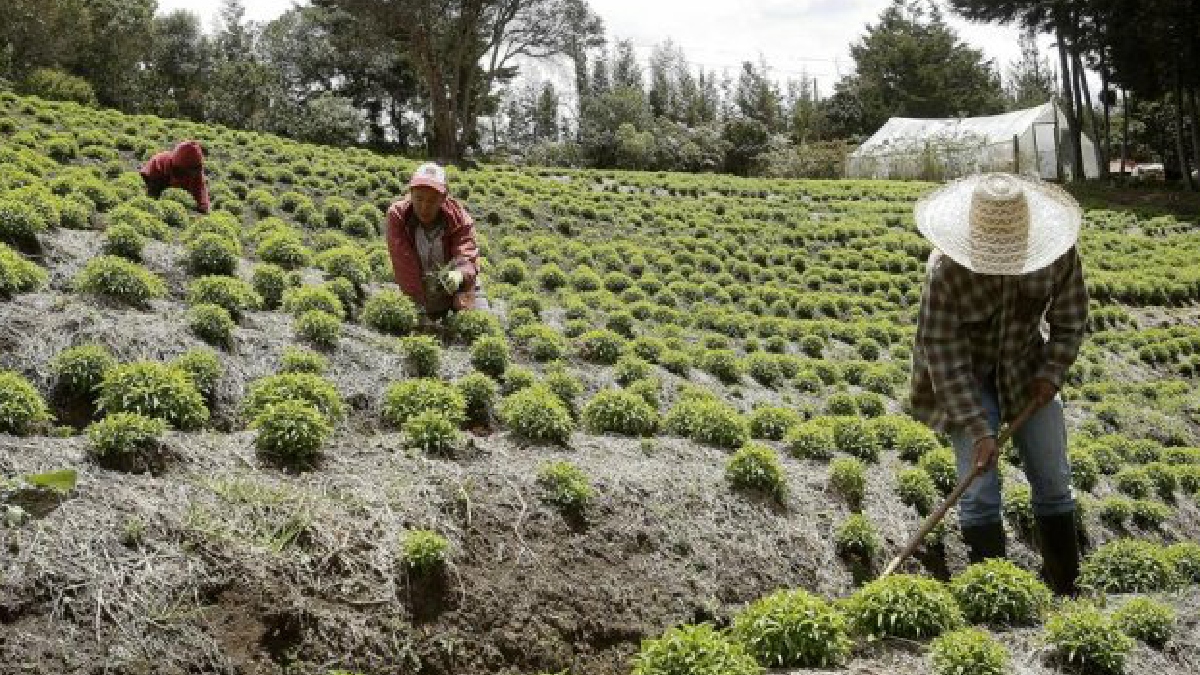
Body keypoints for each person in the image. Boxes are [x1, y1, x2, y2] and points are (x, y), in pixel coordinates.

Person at [909, 173, 1088, 595]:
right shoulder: (946, 272)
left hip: (1026, 367)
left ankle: (1065, 586)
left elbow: (1071, 320)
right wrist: (979, 430)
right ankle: (994, 595)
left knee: (1053, 480)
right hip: (965, 376)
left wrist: (1051, 373)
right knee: (979, 489)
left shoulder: (1056, 255)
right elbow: (944, 357)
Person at [384, 162, 485, 319]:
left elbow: (466, 256)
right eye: (419, 198)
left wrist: (460, 275)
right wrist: (418, 306)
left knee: (474, 318)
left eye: (432, 200)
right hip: (418, 284)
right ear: (410, 193)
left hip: (457, 287)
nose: (424, 207)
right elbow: (404, 265)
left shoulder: (459, 219)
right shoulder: (398, 216)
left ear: (444, 198)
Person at [139, 140, 210, 214]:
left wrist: (203, 207)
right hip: (157, 185)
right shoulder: (158, 164)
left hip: (178, 197)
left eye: (195, 169)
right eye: (190, 170)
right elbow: (146, 184)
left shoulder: (196, 169)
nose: (193, 173)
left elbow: (200, 190)